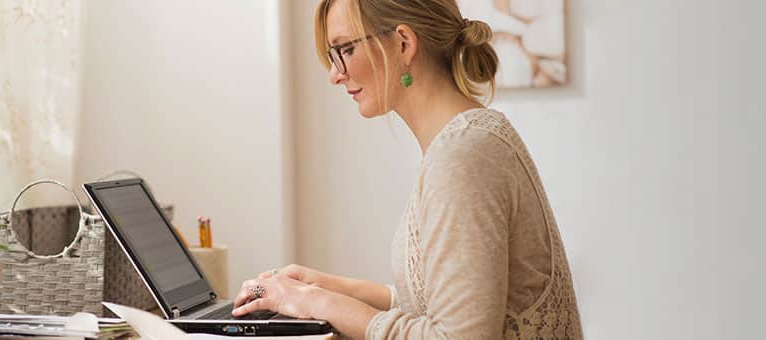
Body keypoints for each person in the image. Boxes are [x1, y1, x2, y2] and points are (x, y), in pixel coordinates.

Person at [231, 0, 583, 338]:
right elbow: (443, 306)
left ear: (403, 43)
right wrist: (333, 287)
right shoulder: (468, 138)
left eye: (345, 50)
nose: (335, 76)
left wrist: (315, 301)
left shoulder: (463, 155)